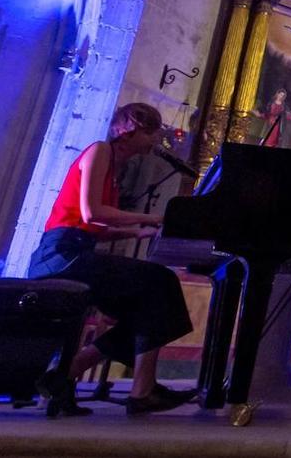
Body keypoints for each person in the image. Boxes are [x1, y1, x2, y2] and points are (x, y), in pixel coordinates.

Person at [27, 102, 194, 416]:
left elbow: (94, 228)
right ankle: (140, 391)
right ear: (130, 128)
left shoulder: (116, 169)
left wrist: (136, 232)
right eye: (151, 132)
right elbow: (92, 213)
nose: (156, 140)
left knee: (149, 307)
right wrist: (151, 218)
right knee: (160, 281)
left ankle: (67, 374)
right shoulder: (100, 150)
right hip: (60, 255)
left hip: (77, 249)